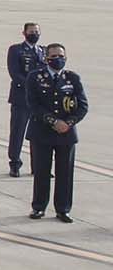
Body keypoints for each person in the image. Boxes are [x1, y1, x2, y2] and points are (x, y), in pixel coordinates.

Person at [26, 43, 87, 222]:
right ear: (46, 58)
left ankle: (63, 209)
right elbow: (33, 104)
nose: (57, 59)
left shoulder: (72, 78)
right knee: (42, 171)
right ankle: (39, 207)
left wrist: (68, 123)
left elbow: (82, 105)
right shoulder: (35, 77)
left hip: (66, 133)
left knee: (65, 173)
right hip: (42, 131)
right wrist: (53, 121)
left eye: (61, 56)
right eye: (53, 56)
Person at [6, 22, 43, 177]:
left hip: (39, 101)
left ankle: (38, 166)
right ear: (24, 33)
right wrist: (31, 85)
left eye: (36, 31)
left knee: (39, 134)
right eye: (31, 31)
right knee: (18, 132)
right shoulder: (16, 50)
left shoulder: (43, 51)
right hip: (21, 98)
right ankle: (15, 163)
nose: (34, 34)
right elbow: (15, 73)